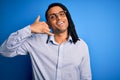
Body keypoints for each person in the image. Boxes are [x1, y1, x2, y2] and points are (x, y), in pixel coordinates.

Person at [0, 3, 92, 80]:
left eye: (61, 14)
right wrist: (30, 29)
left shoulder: (81, 46)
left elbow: (86, 77)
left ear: (67, 17)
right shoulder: (34, 41)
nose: (59, 18)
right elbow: (4, 51)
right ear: (48, 24)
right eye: (53, 17)